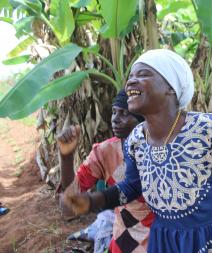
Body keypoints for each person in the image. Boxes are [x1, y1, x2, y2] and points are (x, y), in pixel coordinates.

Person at [63, 49, 212, 253]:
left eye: (143, 74)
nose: (131, 81)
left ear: (170, 87)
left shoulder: (207, 128)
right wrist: (92, 200)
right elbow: (132, 187)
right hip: (165, 242)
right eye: (131, 76)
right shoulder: (136, 139)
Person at [57, 89, 154, 253]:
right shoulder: (104, 152)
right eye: (114, 112)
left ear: (142, 120)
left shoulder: (161, 152)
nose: (115, 119)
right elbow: (72, 194)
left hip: (158, 234)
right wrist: (66, 157)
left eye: (124, 113)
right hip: (125, 235)